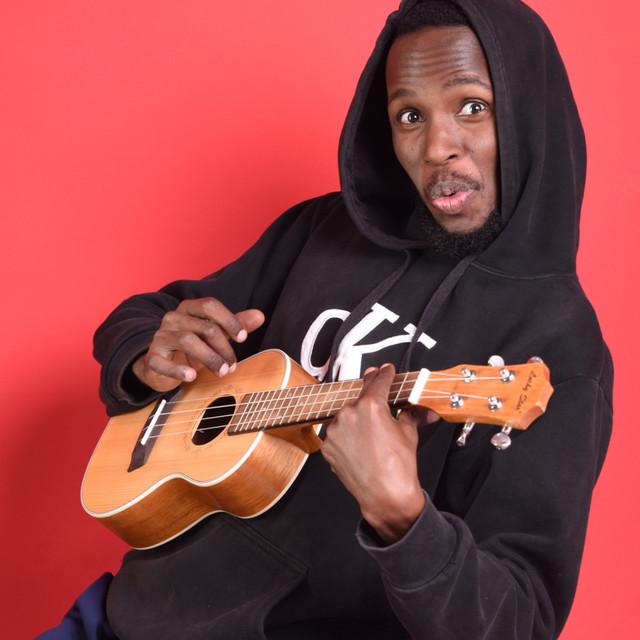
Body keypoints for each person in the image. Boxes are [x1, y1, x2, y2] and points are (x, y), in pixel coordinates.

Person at [40, 0, 613, 638]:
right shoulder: (325, 229)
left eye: (472, 106)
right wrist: (147, 350)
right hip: (121, 617)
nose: (436, 148)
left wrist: (404, 518)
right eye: (410, 116)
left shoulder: (558, 348)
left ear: (530, 111)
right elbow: (143, 317)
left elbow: (518, 623)